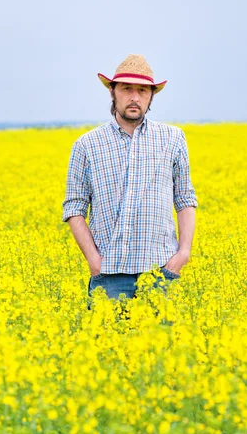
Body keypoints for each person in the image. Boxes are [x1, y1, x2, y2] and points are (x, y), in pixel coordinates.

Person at [62, 54, 198, 302]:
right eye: (127, 89)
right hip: (109, 275)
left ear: (151, 96)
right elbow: (74, 207)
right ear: (112, 92)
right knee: (109, 342)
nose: (135, 97)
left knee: (164, 341)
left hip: (162, 272)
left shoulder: (173, 138)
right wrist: (95, 261)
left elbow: (185, 198)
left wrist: (183, 254)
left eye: (143, 90)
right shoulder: (86, 145)